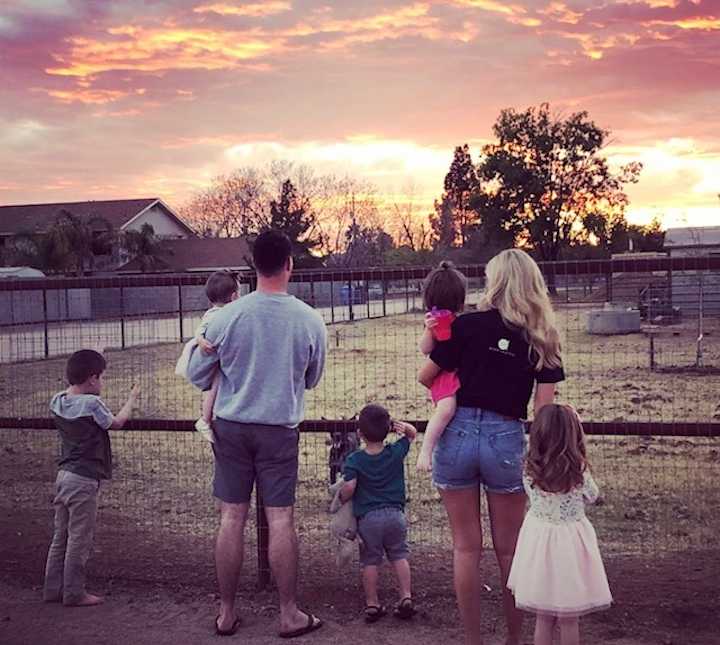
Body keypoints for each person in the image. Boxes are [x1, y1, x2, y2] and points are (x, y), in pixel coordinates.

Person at [418, 248, 565, 645]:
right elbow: (544, 409)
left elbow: (427, 375)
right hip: (505, 438)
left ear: (495, 281)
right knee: (510, 550)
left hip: (457, 433)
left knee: (466, 549)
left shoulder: (468, 326)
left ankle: (472, 640)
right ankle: (515, 640)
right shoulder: (543, 335)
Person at [186, 230, 327, 638]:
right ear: (289, 264)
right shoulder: (309, 319)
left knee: (231, 517)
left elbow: (197, 373)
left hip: (231, 427)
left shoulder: (227, 316)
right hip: (279, 430)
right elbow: (313, 377)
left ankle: (226, 613)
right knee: (280, 519)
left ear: (253, 268)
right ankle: (288, 614)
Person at [508, 404, 612, 645]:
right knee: (568, 619)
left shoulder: (528, 469)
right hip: (569, 545)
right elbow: (593, 496)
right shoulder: (579, 470)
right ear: (573, 434)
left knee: (543, 617)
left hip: (539, 541)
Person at [43, 349, 139, 606]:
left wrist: (90, 356)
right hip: (84, 480)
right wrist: (131, 399)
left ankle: (52, 589)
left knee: (59, 535)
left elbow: (73, 389)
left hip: (63, 476)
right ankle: (74, 593)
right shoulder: (92, 404)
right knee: (79, 538)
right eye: (101, 377)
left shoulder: (57, 401)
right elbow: (115, 423)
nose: (102, 383)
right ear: (92, 379)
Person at [339, 405, 418, 623]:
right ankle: (406, 597)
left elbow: (349, 487)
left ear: (359, 433)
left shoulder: (354, 460)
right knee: (399, 555)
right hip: (396, 516)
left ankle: (372, 603)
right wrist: (402, 427)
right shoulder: (395, 452)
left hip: (369, 520)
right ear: (388, 429)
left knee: (370, 560)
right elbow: (412, 435)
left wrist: (340, 499)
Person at [175, 270, 240, 441]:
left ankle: (206, 418)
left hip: (210, 361)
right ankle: (205, 419)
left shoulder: (217, 314)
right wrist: (201, 340)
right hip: (205, 361)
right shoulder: (218, 315)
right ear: (234, 297)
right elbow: (200, 330)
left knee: (215, 385)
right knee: (216, 383)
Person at [416, 261, 466, 474]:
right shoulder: (432, 321)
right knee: (446, 410)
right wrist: (429, 330)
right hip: (444, 378)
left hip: (458, 374)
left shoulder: (461, 321)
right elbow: (424, 349)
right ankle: (426, 450)